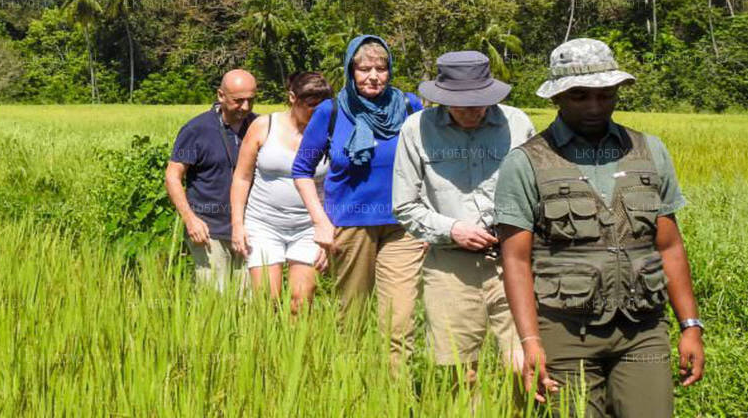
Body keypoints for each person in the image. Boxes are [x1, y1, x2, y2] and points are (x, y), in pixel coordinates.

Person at [495, 39, 705, 417]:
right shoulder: (526, 162)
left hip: (642, 331)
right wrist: (530, 341)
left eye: (605, 95)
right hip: (564, 330)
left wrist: (690, 325)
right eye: (579, 96)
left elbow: (670, 246)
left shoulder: (649, 151)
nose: (594, 107)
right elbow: (515, 259)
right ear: (557, 97)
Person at [392, 51, 536, 380]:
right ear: (443, 98)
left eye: (479, 101)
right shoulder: (417, 129)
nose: (472, 110)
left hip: (512, 260)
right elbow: (404, 205)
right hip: (449, 264)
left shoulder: (517, 124)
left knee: (523, 364)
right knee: (459, 373)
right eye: (462, 103)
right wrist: (452, 229)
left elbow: (537, 191)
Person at [292, 35, 425, 368]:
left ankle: (397, 396)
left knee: (399, 322)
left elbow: (430, 163)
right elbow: (302, 169)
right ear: (351, 70)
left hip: (403, 227)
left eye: (381, 68)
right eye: (364, 68)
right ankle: (350, 385)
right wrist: (320, 221)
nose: (373, 76)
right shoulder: (331, 111)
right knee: (350, 318)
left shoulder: (410, 107)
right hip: (350, 227)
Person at [229, 72, 332, 314]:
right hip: (264, 224)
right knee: (267, 300)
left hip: (308, 227)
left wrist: (330, 231)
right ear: (292, 98)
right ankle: (264, 351)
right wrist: (237, 224)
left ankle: (297, 350)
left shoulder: (330, 132)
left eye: (322, 108)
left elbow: (340, 183)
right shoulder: (264, 126)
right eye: (310, 107)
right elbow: (242, 178)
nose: (316, 114)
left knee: (300, 300)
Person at [165, 69, 258, 291]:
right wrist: (190, 219)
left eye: (251, 100)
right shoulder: (197, 129)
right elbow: (173, 176)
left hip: (251, 229)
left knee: (250, 302)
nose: (245, 107)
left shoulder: (259, 126)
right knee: (214, 301)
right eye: (238, 101)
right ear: (220, 96)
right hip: (210, 230)